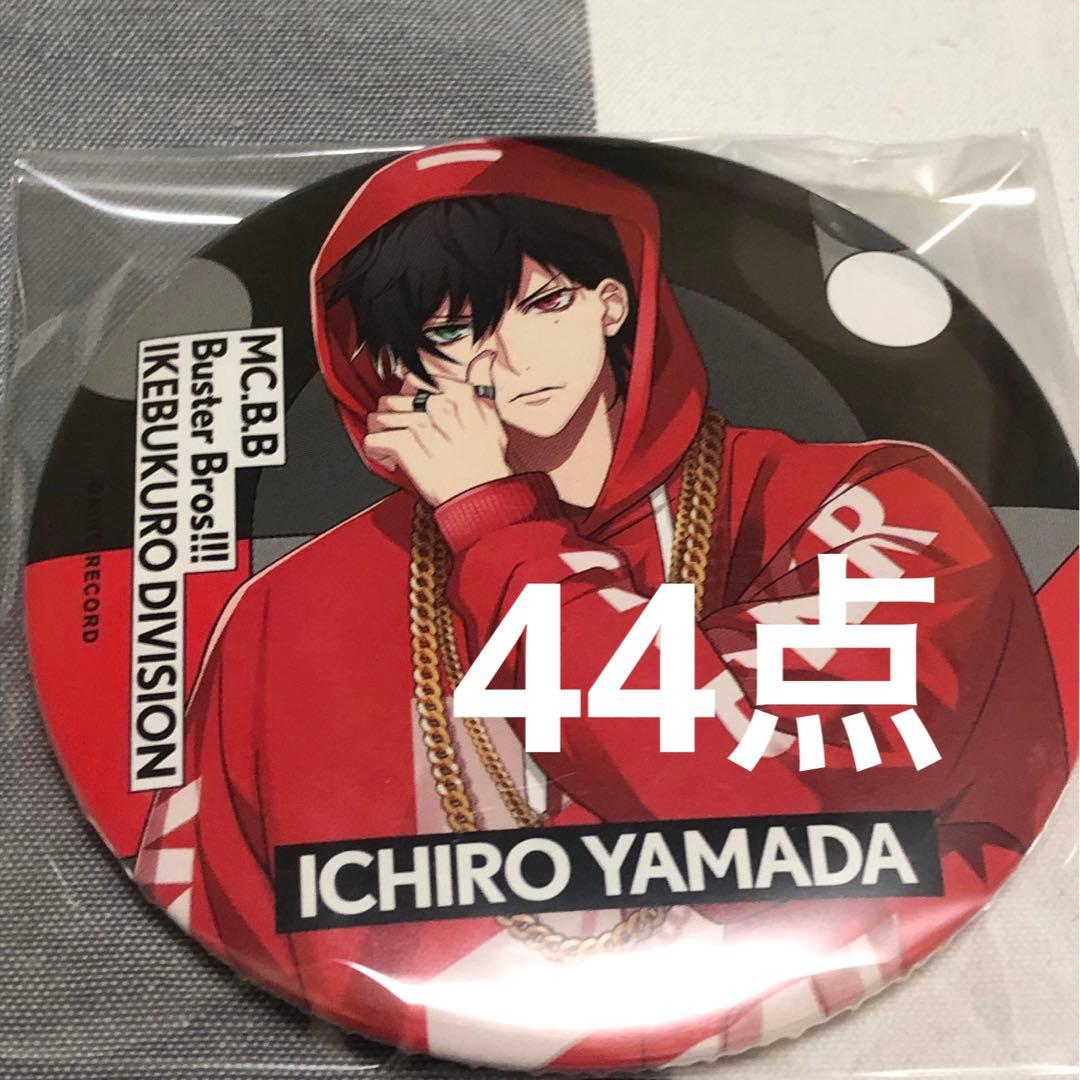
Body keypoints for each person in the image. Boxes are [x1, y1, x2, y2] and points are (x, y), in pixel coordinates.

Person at [135, 139, 1069, 1071]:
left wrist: (492, 518)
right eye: (453, 332)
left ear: (612, 302)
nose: (508, 358)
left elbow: (761, 812)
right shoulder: (287, 613)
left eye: (544, 304)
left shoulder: (877, 508)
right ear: (388, 368)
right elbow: (216, 927)